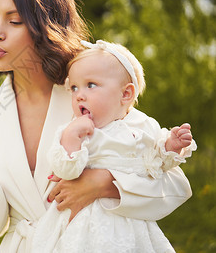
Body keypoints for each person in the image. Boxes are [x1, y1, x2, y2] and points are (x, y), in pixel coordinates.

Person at [0, 0, 193, 252]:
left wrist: (105, 184)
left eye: (14, 20)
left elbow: (174, 183)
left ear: (47, 25)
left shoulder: (89, 94)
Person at [31, 40, 197, 252]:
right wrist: (72, 138)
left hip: (129, 221)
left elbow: (156, 166)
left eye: (91, 85)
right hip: (82, 223)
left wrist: (171, 146)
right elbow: (64, 170)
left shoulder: (143, 127)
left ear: (125, 94)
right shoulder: (74, 130)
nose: (79, 94)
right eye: (74, 87)